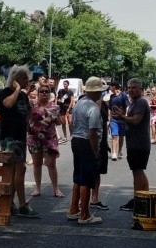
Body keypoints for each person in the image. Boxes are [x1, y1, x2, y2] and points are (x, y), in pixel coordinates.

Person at [0, 65, 40, 218]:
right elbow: (8, 104)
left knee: (16, 172)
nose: (26, 80)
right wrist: (16, 90)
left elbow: (28, 113)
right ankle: (22, 204)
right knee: (19, 170)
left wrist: (26, 96)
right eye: (23, 78)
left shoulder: (23, 96)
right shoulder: (5, 92)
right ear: (15, 79)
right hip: (10, 137)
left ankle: (9, 203)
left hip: (21, 137)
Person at [67, 76, 107, 225]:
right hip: (86, 142)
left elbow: (71, 123)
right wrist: (96, 152)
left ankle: (73, 209)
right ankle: (84, 214)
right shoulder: (93, 108)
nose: (101, 93)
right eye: (100, 91)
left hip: (76, 140)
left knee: (78, 175)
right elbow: (92, 133)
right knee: (87, 178)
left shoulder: (79, 103)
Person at [114, 79, 151, 211]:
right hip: (135, 143)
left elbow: (136, 120)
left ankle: (139, 200)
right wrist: (122, 116)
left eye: (134, 87)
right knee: (138, 171)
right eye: (129, 88)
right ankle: (143, 199)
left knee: (138, 171)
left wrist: (122, 117)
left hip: (139, 143)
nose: (131, 90)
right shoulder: (135, 103)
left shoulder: (141, 102)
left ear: (141, 89)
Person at [27, 84, 63, 198]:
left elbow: (59, 122)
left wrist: (56, 118)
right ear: (37, 93)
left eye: (46, 91)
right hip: (34, 138)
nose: (44, 93)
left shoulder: (55, 107)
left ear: (49, 93)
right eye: (41, 91)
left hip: (49, 139)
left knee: (51, 164)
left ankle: (56, 189)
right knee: (37, 164)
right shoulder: (32, 104)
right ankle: (37, 188)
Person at [108, 82, 128, 161]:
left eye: (110, 87)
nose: (110, 88)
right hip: (113, 119)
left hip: (122, 119)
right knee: (114, 135)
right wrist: (109, 118)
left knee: (121, 136)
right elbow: (110, 108)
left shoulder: (123, 95)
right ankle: (114, 153)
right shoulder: (111, 96)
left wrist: (126, 117)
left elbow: (127, 106)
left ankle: (119, 151)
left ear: (114, 87)